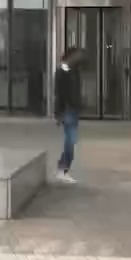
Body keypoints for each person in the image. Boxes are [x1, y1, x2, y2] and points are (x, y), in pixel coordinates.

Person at [53, 46, 83, 183]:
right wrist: (58, 113)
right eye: (77, 55)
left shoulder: (75, 71)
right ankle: (63, 169)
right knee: (70, 140)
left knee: (71, 141)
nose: (79, 58)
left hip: (74, 110)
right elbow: (59, 94)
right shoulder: (62, 71)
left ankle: (63, 169)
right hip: (67, 110)